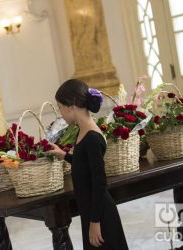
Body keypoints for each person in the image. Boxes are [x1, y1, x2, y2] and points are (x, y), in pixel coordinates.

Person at [48, 79, 128, 249]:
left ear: (71, 106)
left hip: (100, 216)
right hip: (91, 212)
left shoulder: (91, 137)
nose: (60, 112)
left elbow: (99, 182)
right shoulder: (82, 131)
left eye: (60, 107)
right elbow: (84, 166)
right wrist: (65, 155)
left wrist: (94, 222)